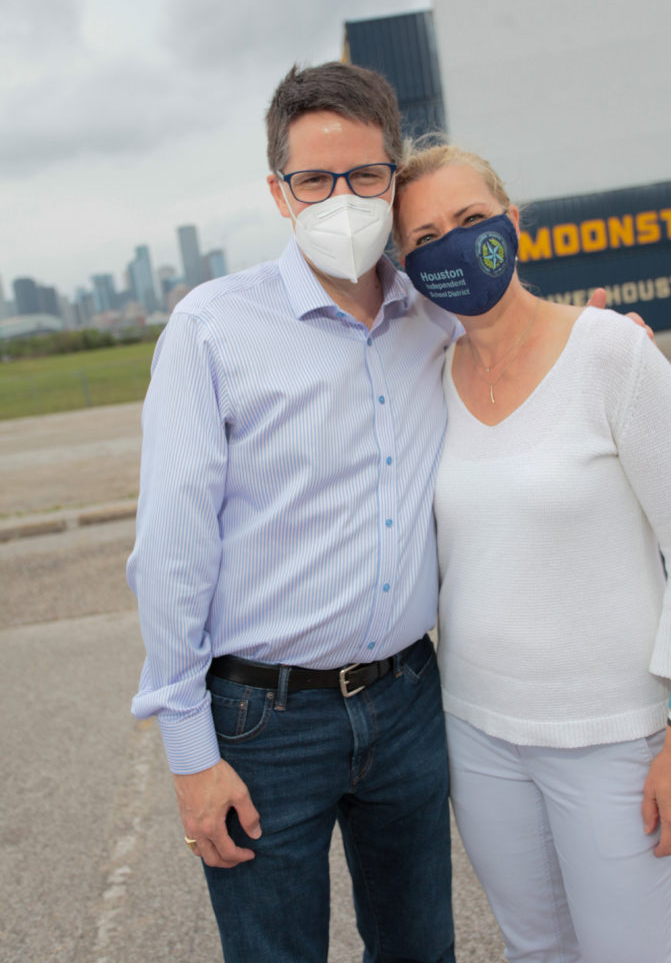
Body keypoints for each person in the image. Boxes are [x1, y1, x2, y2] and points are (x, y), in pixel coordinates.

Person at [127, 62, 458, 963]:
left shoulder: (433, 320)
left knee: (421, 949)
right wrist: (190, 754)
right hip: (261, 721)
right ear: (279, 191)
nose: (340, 199)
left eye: (364, 175)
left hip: (406, 699)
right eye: (314, 179)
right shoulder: (212, 328)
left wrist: (598, 339)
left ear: (394, 179)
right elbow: (171, 550)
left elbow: (523, 360)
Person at [393, 141, 671, 963]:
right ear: (406, 265)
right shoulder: (426, 379)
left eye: (470, 219)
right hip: (478, 733)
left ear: (512, 223)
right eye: (424, 237)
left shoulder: (610, 352)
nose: (452, 245)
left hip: (616, 737)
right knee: (534, 952)